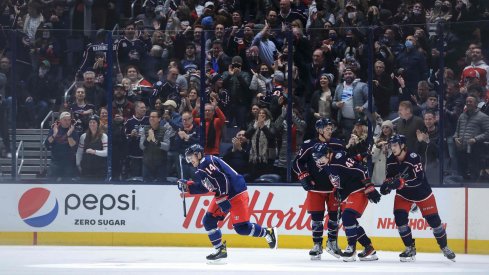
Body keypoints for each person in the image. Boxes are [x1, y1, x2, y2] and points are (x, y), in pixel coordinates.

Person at [177, 144, 278, 263]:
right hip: (223, 194)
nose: (190, 161)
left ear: (198, 154)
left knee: (242, 228)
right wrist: (188, 186)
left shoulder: (206, 162)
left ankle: (268, 232)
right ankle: (220, 250)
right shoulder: (201, 168)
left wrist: (222, 197)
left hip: (236, 193)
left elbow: (222, 179)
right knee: (208, 221)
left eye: (191, 157)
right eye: (188, 158)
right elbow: (207, 187)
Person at [381, 134, 456, 262]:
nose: (392, 148)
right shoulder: (390, 160)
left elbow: (419, 179)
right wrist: (386, 185)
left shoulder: (413, 158)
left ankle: (444, 247)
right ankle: (410, 248)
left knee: (434, 222)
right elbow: (390, 177)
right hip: (404, 194)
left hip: (422, 194)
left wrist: (401, 183)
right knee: (399, 219)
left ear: (402, 145)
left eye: (394, 145)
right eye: (391, 145)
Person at [311, 143, 381, 262]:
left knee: (347, 217)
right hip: (347, 192)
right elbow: (350, 163)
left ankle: (351, 249)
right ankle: (368, 248)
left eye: (320, 157)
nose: (318, 160)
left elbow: (361, 169)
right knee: (351, 222)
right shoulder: (327, 162)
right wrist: (337, 189)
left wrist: (369, 187)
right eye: (316, 157)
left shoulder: (338, 158)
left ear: (328, 153)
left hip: (358, 190)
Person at [292, 118, 344, 260]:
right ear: (319, 130)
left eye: (330, 128)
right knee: (316, 219)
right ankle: (317, 245)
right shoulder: (309, 145)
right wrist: (304, 176)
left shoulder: (338, 144)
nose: (329, 130)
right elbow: (297, 162)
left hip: (334, 188)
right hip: (316, 189)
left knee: (334, 218)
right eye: (327, 128)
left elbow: (344, 163)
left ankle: (332, 242)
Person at [44, 112, 78, 181]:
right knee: (50, 183)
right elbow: (47, 144)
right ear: (60, 120)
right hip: (55, 162)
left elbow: (73, 146)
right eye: (65, 120)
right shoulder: (54, 129)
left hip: (68, 163)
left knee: (67, 185)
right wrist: (54, 134)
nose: (67, 122)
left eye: (69, 120)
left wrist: (69, 134)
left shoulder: (73, 131)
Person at [139, 110, 172, 182]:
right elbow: (142, 146)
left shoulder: (165, 130)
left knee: (161, 186)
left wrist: (154, 140)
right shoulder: (144, 129)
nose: (151, 118)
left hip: (161, 164)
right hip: (147, 164)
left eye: (154, 117)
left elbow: (167, 147)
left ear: (159, 119)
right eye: (150, 117)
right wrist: (148, 139)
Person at [76, 115, 107, 180]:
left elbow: (106, 152)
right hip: (86, 169)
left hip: (99, 170)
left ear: (98, 124)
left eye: (94, 122)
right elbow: (79, 152)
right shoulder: (83, 136)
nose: (92, 124)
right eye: (90, 122)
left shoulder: (103, 136)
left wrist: (94, 152)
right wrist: (78, 164)